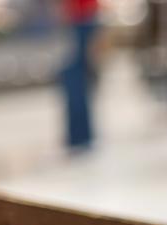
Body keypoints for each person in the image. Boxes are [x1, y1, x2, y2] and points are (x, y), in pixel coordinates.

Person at [60, 0, 99, 149]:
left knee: (75, 82)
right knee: (79, 82)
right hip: (84, 18)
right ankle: (81, 135)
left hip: (77, 20)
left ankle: (79, 136)